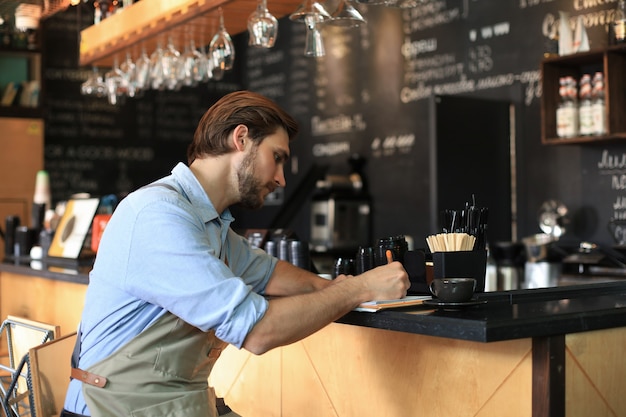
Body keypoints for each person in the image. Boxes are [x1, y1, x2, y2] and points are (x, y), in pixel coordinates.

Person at [61, 90, 409, 417]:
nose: (282, 179)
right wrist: (359, 289)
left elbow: (270, 274)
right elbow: (257, 332)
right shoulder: (158, 214)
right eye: (277, 158)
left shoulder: (212, 225)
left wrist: (339, 286)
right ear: (240, 138)